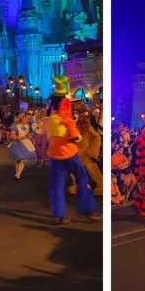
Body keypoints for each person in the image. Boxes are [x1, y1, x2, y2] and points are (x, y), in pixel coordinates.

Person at [45, 76, 100, 225]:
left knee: (56, 186)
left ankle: (59, 215)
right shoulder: (64, 119)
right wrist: (78, 137)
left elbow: (50, 136)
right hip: (69, 155)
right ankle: (88, 210)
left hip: (55, 156)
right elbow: (74, 135)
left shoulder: (50, 120)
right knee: (82, 180)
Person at [7, 112, 37, 180]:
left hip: (26, 144)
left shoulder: (29, 126)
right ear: (22, 118)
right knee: (18, 160)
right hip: (18, 144)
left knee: (23, 159)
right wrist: (21, 138)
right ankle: (17, 173)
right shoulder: (15, 126)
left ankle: (17, 175)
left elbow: (31, 134)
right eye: (26, 118)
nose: (27, 120)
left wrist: (30, 136)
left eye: (28, 118)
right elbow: (13, 136)